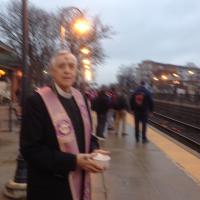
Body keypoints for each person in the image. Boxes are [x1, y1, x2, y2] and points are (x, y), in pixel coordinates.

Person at [20, 50, 108, 200]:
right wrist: (74, 161)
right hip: (50, 188)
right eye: (61, 66)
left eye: (71, 66)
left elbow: (88, 136)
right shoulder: (36, 102)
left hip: (79, 184)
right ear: (52, 71)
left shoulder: (82, 99)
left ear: (76, 71)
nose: (67, 70)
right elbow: (30, 150)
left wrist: (94, 151)